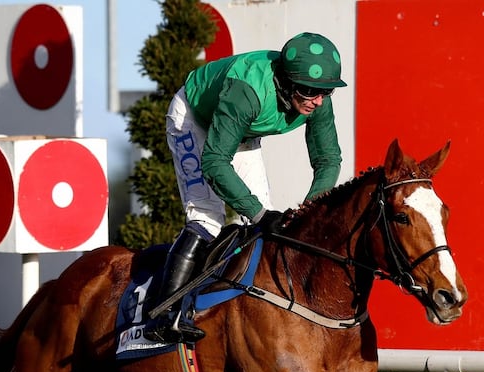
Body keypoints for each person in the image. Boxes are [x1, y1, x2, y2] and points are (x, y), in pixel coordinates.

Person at [144, 31, 347, 344]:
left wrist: (309, 210)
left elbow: (328, 160)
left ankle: (241, 309)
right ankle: (162, 315)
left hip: (239, 130)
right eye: (309, 91)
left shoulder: (316, 99)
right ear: (286, 82)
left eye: (326, 91)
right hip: (194, 118)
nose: (318, 100)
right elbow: (214, 161)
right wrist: (258, 213)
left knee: (258, 227)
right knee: (208, 218)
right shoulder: (247, 90)